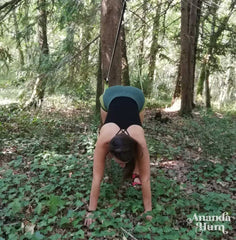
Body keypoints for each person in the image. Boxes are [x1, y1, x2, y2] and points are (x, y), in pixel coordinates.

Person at [84, 85, 152, 227]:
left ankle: (135, 171)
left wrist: (148, 211)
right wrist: (91, 210)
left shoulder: (139, 141)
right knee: (105, 124)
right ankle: (124, 163)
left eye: (125, 162)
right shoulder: (104, 140)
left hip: (137, 97)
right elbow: (97, 177)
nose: (122, 165)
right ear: (110, 150)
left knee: (139, 133)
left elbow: (146, 178)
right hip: (110, 96)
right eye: (121, 162)